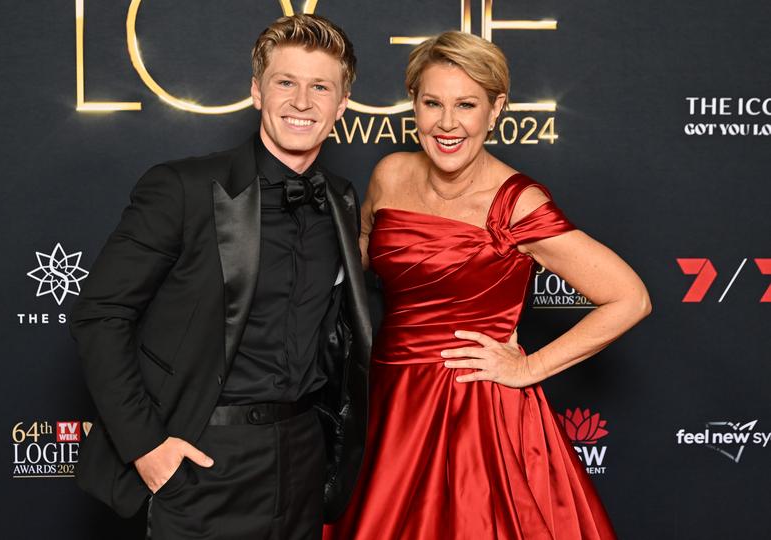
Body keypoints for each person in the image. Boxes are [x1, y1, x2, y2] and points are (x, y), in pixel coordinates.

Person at [324, 31, 650, 540]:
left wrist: (528, 367)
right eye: (433, 103)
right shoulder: (390, 174)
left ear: (496, 109)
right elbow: (360, 255)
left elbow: (630, 297)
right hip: (388, 402)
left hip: (476, 411)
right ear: (413, 103)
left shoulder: (517, 203)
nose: (447, 123)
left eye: (467, 105)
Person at [70, 14, 370, 540]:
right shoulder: (182, 189)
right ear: (257, 91)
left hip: (303, 458)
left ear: (341, 105)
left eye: (320, 86)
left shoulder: (342, 200)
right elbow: (100, 314)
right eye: (285, 82)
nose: (302, 102)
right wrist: (147, 447)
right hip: (202, 457)